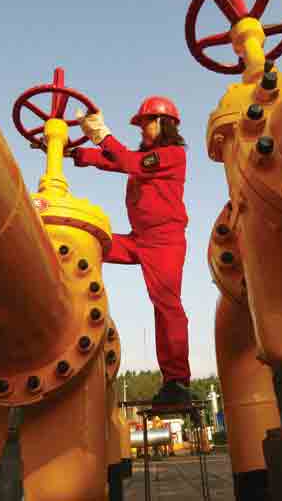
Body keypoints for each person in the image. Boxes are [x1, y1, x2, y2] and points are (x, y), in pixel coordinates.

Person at [69, 96, 191, 405]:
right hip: (139, 239)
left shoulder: (172, 155)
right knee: (89, 242)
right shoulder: (144, 160)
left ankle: (177, 382)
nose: (142, 129)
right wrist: (72, 151)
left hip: (165, 242)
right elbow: (113, 161)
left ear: (165, 124)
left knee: (166, 305)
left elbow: (128, 162)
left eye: (146, 122)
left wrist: (101, 134)